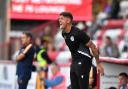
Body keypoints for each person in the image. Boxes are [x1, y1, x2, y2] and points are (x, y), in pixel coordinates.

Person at [59, 11, 104, 89]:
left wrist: (98, 64)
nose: (59, 20)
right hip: (74, 62)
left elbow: (93, 47)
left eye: (62, 19)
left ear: (68, 20)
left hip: (84, 62)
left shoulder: (78, 33)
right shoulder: (64, 33)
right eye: (59, 19)